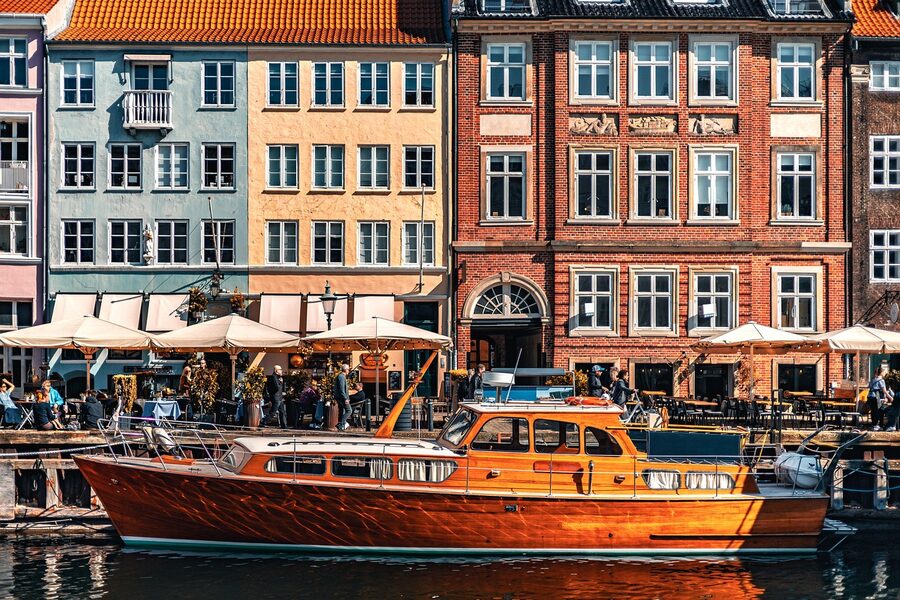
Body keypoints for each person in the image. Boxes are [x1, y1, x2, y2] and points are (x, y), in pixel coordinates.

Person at [868, 367, 893, 431]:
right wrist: (890, 397)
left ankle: (874, 425)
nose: (885, 373)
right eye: (884, 372)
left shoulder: (872, 379)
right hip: (877, 396)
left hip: (870, 396)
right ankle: (877, 425)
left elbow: (869, 387)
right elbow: (884, 390)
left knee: (873, 411)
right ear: (881, 373)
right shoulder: (881, 380)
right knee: (878, 411)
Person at [335, 363, 351, 431]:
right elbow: (342, 389)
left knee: (343, 411)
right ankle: (340, 424)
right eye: (348, 370)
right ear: (346, 370)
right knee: (349, 410)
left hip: (341, 397)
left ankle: (341, 424)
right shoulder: (341, 377)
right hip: (341, 397)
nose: (348, 371)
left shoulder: (341, 376)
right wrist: (345, 398)